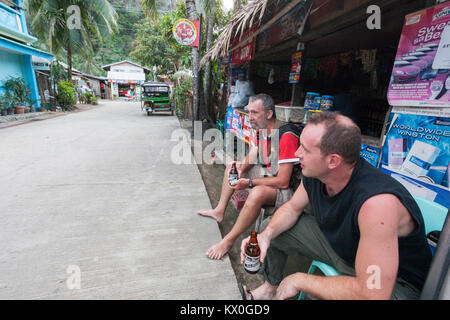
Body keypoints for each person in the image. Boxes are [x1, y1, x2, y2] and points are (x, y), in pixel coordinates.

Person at [239, 112, 432, 300]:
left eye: (305, 149)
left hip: (393, 285)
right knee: (270, 229)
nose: (297, 154)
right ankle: (270, 289)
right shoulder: (317, 174)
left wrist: (300, 280)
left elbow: (373, 293)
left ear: (333, 160)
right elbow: (292, 208)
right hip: (345, 250)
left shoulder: (377, 204)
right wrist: (265, 236)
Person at [198, 93, 303, 260]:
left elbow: (283, 182)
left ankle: (228, 241)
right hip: (269, 174)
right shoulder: (262, 130)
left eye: (255, 112)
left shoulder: (286, 136)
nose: (250, 117)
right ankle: (219, 211)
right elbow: (254, 154)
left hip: (289, 189)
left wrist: (250, 182)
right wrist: (241, 168)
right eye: (249, 112)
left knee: (257, 193)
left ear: (268, 114)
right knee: (232, 167)